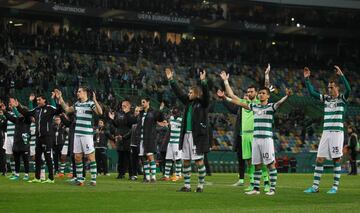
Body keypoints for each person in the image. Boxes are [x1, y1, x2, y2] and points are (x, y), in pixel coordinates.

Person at [219, 72, 292, 195]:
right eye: (260, 93)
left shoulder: (270, 107)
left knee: (269, 164)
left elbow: (279, 103)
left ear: (267, 96)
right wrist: (225, 98)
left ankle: (272, 188)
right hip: (255, 139)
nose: (261, 94)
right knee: (256, 164)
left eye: (263, 93)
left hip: (266, 139)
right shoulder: (254, 106)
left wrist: (287, 96)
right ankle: (256, 189)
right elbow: (239, 103)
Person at [218, 65, 272, 191]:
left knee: (259, 161)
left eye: (251, 92)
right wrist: (225, 81)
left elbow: (266, 88)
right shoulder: (244, 103)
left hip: (255, 134)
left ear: (257, 93)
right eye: (247, 92)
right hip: (244, 134)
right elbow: (231, 94)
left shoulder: (258, 103)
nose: (249, 93)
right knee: (248, 160)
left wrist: (266, 75)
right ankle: (252, 183)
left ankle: (267, 181)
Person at [303, 66, 351, 194]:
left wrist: (341, 75)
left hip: (336, 133)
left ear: (337, 88)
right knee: (319, 158)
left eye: (332, 87)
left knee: (336, 159)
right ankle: (315, 187)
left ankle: (335, 187)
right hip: (326, 133)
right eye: (328, 88)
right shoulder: (326, 99)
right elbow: (313, 94)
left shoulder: (342, 99)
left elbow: (349, 90)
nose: (329, 90)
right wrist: (307, 79)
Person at [165, 67, 210, 193]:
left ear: (196, 93)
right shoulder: (188, 103)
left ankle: (201, 185)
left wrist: (203, 82)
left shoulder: (203, 103)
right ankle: (187, 185)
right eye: (188, 93)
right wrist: (171, 80)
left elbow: (207, 95)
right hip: (186, 136)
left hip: (197, 137)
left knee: (199, 161)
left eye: (190, 93)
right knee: (186, 161)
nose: (188, 94)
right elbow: (179, 93)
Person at [55, 87, 103, 186]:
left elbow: (100, 112)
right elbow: (67, 110)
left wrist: (95, 100)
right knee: (77, 157)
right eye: (77, 91)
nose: (77, 93)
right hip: (77, 134)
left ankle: (93, 180)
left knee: (90, 157)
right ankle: (80, 180)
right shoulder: (77, 104)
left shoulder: (90, 104)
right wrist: (61, 98)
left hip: (87, 134)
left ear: (85, 93)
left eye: (79, 91)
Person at [16, 93, 62, 183]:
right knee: (37, 158)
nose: (38, 101)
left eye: (39, 100)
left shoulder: (49, 108)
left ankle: (51, 178)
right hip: (39, 137)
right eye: (37, 100)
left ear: (44, 100)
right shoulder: (36, 109)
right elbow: (26, 113)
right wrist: (17, 106)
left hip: (47, 137)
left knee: (48, 157)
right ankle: (37, 178)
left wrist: (58, 100)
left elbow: (59, 111)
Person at [136, 97, 164, 183]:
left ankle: (153, 177)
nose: (142, 104)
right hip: (141, 138)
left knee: (150, 157)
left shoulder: (153, 112)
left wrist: (160, 110)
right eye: (142, 102)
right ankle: (147, 178)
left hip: (150, 138)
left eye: (144, 102)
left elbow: (160, 119)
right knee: (144, 158)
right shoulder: (140, 113)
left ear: (148, 102)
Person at [0, 102, 30, 181]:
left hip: (24, 140)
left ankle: (26, 174)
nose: (20, 113)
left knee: (25, 158)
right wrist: (4, 110)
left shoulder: (27, 119)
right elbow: (9, 117)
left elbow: (17, 114)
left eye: (22, 112)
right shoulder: (17, 119)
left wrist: (14, 107)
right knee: (16, 158)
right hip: (16, 141)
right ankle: (16, 174)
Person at [108, 100, 136, 179]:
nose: (122, 107)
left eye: (124, 105)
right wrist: (112, 119)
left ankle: (131, 174)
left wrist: (127, 113)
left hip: (128, 138)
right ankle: (121, 173)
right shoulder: (119, 114)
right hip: (119, 138)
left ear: (128, 106)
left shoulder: (131, 114)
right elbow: (117, 125)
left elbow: (131, 124)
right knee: (120, 157)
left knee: (129, 157)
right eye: (122, 105)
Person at [161, 106, 183, 182]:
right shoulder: (171, 118)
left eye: (175, 112)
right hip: (170, 142)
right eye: (173, 112)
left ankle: (178, 175)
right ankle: (166, 175)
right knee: (168, 159)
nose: (174, 113)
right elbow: (170, 128)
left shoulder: (181, 120)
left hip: (177, 142)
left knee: (178, 159)